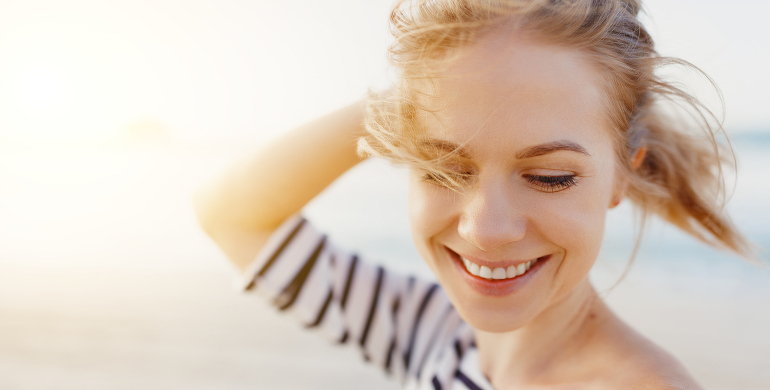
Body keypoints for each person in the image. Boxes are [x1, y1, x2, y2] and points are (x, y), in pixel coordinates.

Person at [194, 0, 753, 388]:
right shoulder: (437, 333)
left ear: (621, 179)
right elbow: (231, 215)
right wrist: (415, 94)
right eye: (441, 165)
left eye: (550, 177)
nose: (485, 229)